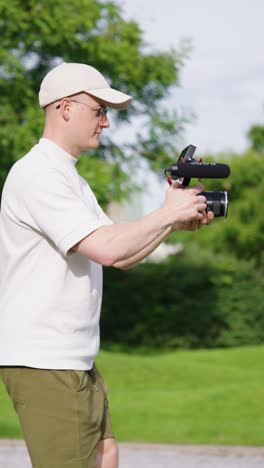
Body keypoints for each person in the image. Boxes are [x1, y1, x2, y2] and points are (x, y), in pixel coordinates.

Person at [0, 62, 213, 468]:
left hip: (72, 356)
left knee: (104, 455)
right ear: (65, 108)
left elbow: (123, 256)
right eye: (99, 110)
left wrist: (173, 222)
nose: (106, 123)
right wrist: (167, 214)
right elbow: (107, 249)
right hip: (46, 358)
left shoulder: (70, 180)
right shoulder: (38, 176)